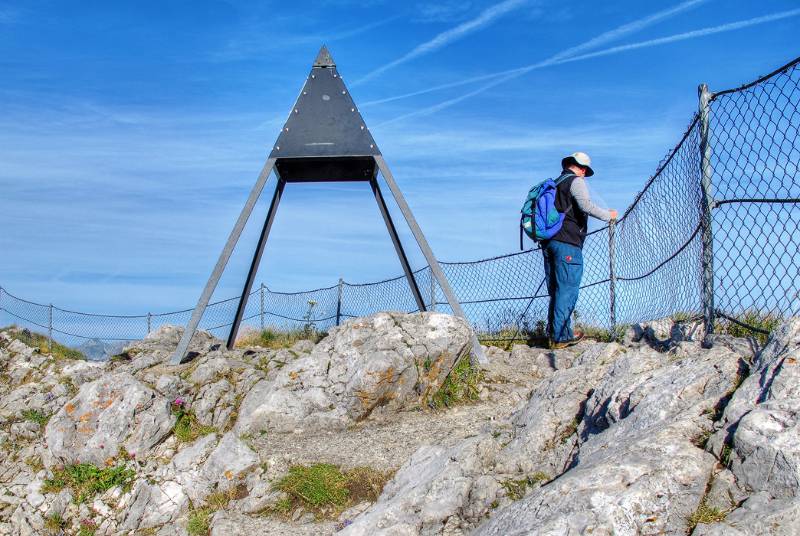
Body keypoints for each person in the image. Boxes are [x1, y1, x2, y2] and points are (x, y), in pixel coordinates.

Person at [542, 152, 617, 349]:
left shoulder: (554, 183)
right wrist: (608, 215)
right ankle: (560, 337)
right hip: (568, 242)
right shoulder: (575, 181)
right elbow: (585, 206)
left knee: (556, 289)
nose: (584, 174)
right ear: (581, 168)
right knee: (567, 289)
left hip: (549, 243)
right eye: (585, 170)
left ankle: (557, 333)